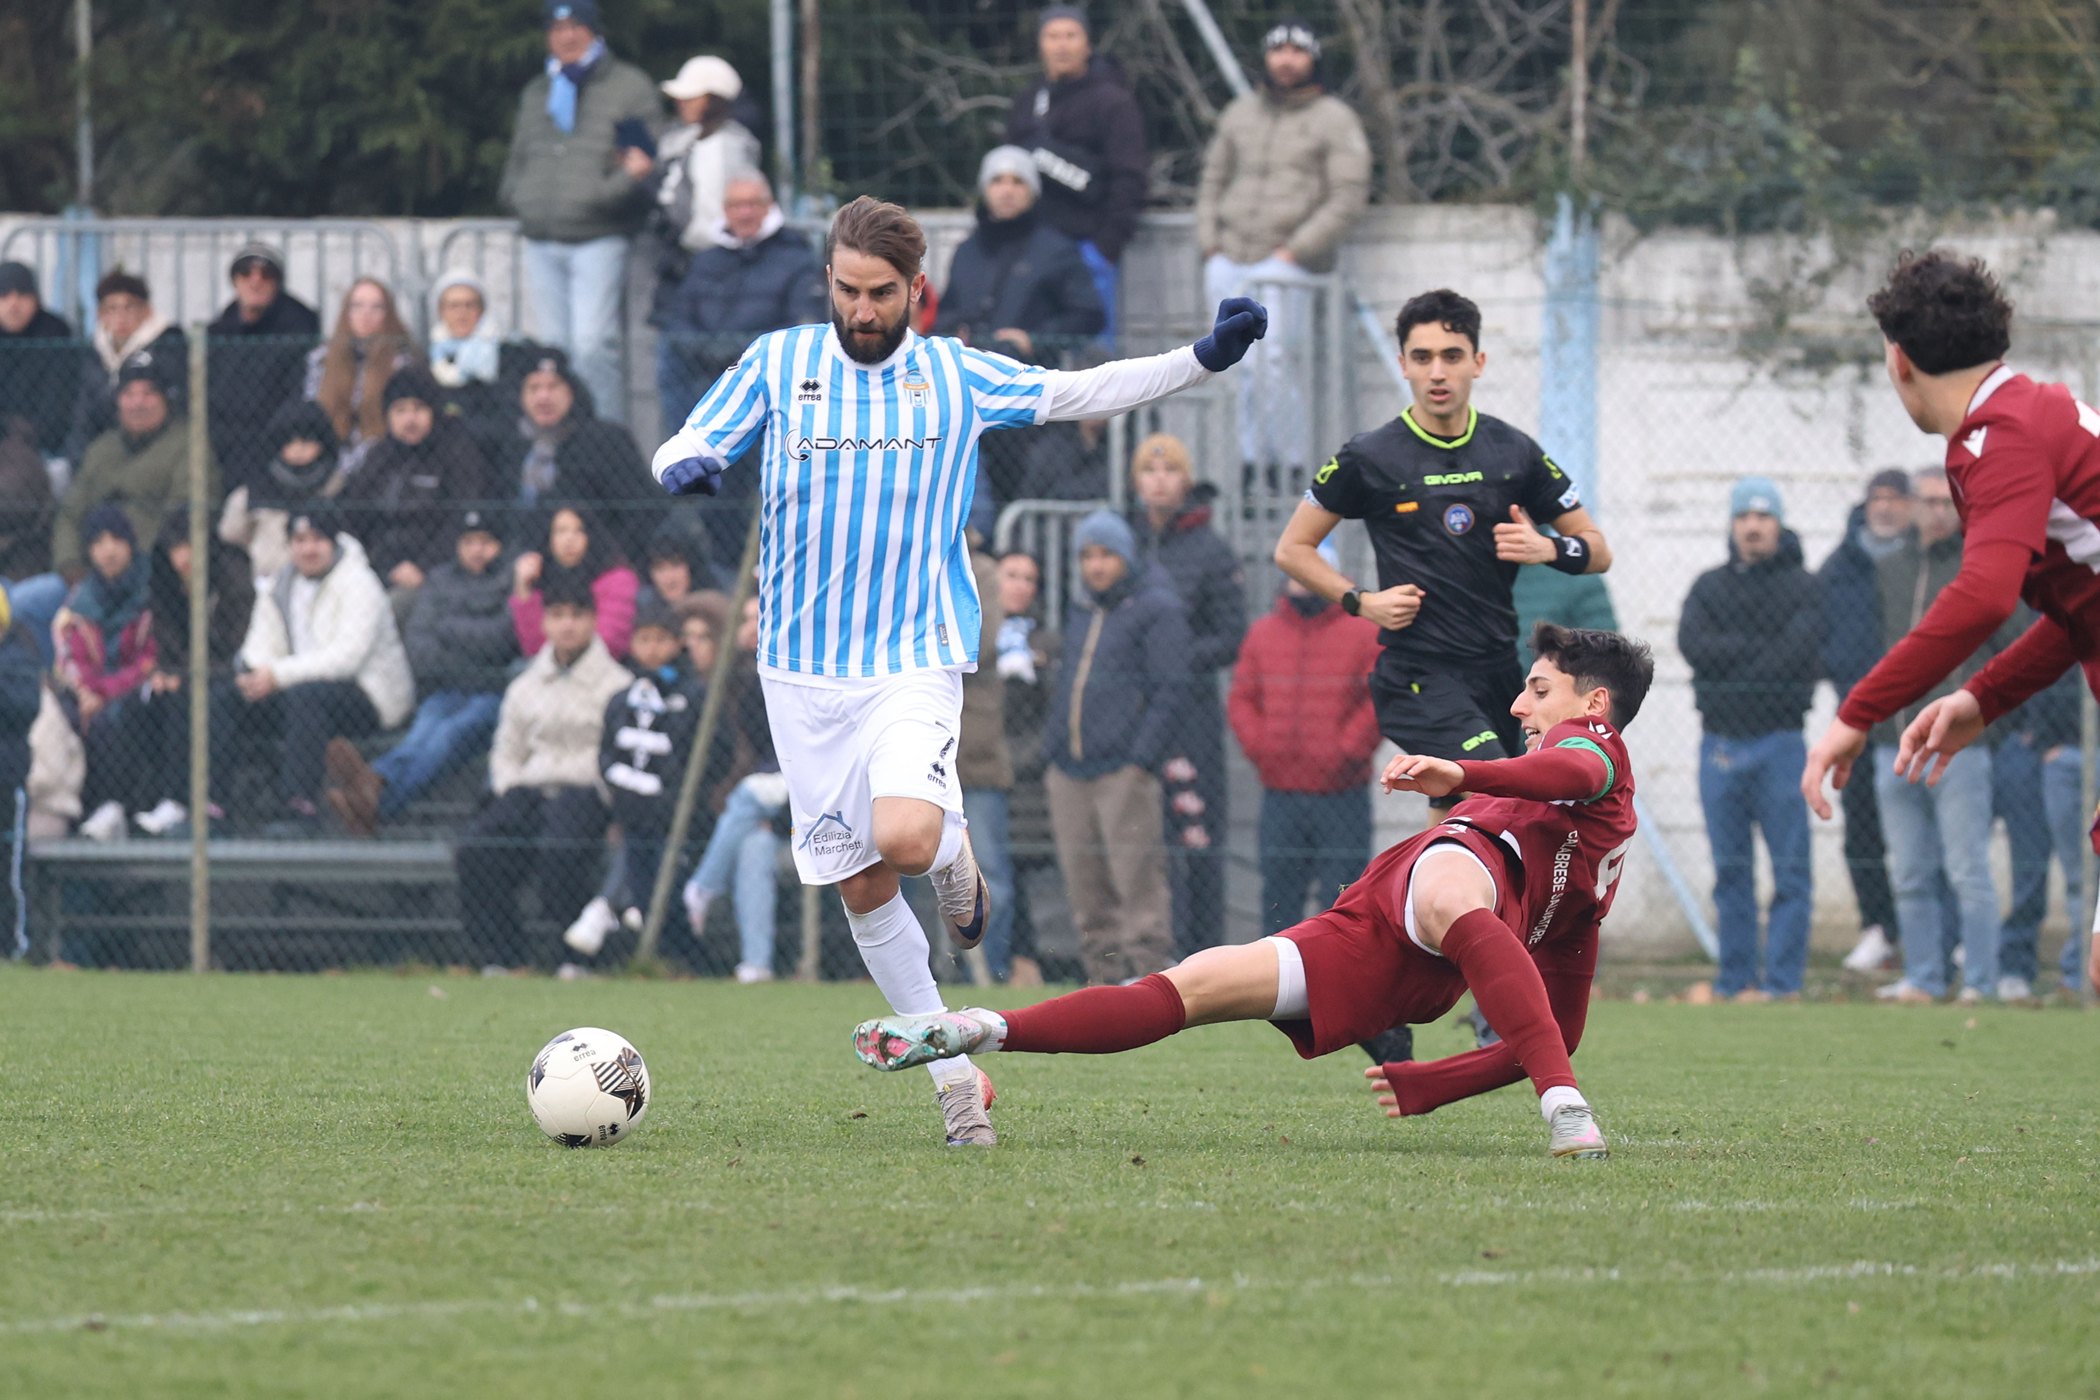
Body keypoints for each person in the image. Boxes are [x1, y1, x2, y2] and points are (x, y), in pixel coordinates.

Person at [652, 194, 1268, 1145]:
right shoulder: (780, 362)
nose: (862, 310)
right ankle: (954, 1084)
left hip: (913, 653)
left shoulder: (954, 374)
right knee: (861, 887)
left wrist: (1202, 358)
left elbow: (1083, 389)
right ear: (828, 281)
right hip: (801, 670)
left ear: (917, 290)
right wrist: (685, 466)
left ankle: (948, 855)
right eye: (848, 291)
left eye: (881, 293)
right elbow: (691, 436)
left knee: (903, 836)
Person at [855, 624, 1652, 1163]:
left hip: (1424, 938)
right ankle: (982, 1029)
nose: (1518, 705)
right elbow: (1552, 1028)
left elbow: (1555, 1028)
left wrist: (1438, 1082)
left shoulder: (1597, 752)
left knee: (1451, 899)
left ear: (1594, 707)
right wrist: (1443, 1084)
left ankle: (1564, 1108)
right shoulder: (1572, 818)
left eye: (1538, 690)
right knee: (1188, 987)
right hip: (1405, 904)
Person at [1274, 288, 1610, 1061]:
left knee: (1466, 834)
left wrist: (1548, 549)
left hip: (1497, 677)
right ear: (1402, 364)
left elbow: (1596, 546)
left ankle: (1361, 987)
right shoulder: (1371, 457)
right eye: (1422, 357)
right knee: (1491, 803)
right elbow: (1292, 548)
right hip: (1419, 674)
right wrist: (1361, 601)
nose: (1437, 371)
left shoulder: (1513, 453)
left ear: (1478, 363)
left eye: (1452, 356)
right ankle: (1491, 998)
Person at [1806, 255, 2100, 991]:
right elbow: (2079, 614)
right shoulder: (2031, 411)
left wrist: (1859, 710)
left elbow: (1983, 596)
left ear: (1899, 360)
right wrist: (1982, 697)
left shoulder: (2000, 437)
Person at [1195, 16, 1370, 478]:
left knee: (1274, 361)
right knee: (1231, 361)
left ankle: (1288, 462)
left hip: (1287, 264)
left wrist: (1296, 250)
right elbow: (1212, 179)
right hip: (1229, 256)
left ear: (1313, 58)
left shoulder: (1334, 118)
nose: (1286, 60)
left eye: (1297, 51)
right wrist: (1210, 244)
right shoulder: (1241, 113)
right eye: (1278, 50)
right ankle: (1250, 462)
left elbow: (1348, 196)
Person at [1868, 469, 2016, 1003]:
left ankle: (1980, 981)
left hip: (1959, 748)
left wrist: (1988, 722)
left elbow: (2014, 648)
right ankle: (1923, 978)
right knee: (1909, 872)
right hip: (1893, 741)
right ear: (1912, 506)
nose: (1935, 511)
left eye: (1944, 502)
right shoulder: (1889, 570)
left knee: (1967, 870)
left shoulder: (1980, 569)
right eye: (1926, 501)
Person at [1677, 477, 1823, 1002]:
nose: (1753, 527)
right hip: (1719, 744)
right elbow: (1693, 645)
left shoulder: (1805, 587)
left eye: (1763, 517)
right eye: (1744, 517)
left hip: (1781, 743)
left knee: (1791, 869)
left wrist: (1731, 658)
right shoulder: (1708, 586)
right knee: (1730, 870)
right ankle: (1735, 980)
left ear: (1778, 524)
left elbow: (1798, 655)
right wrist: (1762, 650)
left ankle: (1782, 984)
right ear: (1733, 524)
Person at [454, 570, 633, 970]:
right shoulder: (524, 685)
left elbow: (619, 754)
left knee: (561, 852)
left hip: (587, 792)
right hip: (528, 789)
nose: (567, 625)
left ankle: (575, 958)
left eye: (577, 615)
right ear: (544, 621)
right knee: (477, 851)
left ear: (593, 620)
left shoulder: (618, 685)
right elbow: (506, 750)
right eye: (557, 615)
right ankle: (503, 957)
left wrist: (603, 795)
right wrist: (509, 788)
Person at [1043, 511, 1189, 986]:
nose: (1096, 565)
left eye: (1106, 554)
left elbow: (1172, 690)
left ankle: (1153, 986)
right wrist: (1055, 748)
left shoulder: (1156, 609)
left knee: (1137, 884)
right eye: (1087, 555)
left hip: (1123, 773)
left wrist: (1140, 759)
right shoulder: (1083, 609)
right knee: (1086, 890)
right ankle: (1101, 987)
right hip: (1070, 773)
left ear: (1125, 557)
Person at [499, 0, 660, 424]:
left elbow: (644, 162)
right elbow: (519, 156)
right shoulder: (539, 90)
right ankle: (564, 446)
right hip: (541, 236)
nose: (566, 36)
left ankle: (603, 440)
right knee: (554, 352)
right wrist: (518, 196)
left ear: (594, 31)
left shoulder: (628, 86)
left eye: (576, 26)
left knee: (592, 348)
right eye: (557, 28)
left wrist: (604, 194)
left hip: (599, 236)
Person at [656, 167, 825, 564]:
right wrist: (718, 353)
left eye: (753, 204)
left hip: (772, 397)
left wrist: (731, 352)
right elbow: (679, 324)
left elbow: (801, 328)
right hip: (710, 387)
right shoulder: (705, 262)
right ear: (725, 211)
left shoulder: (797, 259)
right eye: (736, 205)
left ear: (769, 207)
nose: (745, 212)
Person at [325, 508, 519, 836]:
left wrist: (448, 628)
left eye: (486, 542)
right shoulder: (440, 579)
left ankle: (374, 793)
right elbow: (419, 645)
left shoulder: (512, 580)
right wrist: (473, 646)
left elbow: (503, 638)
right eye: (469, 542)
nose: (477, 550)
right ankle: (372, 793)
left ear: (500, 546)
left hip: (492, 693)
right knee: (420, 738)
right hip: (446, 688)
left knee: (448, 736)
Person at [1125, 432, 1244, 957]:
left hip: (1191, 715)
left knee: (1197, 835)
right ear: (1135, 481)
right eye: (1149, 471)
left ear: (1186, 480)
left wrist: (1172, 659)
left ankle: (1204, 955)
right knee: (1139, 836)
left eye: (1170, 470)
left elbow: (1231, 636)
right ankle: (1144, 953)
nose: (1159, 481)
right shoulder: (1124, 543)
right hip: (1132, 710)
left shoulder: (1210, 549)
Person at [232, 505, 415, 831]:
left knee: (307, 698)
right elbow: (259, 644)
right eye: (300, 540)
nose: (308, 549)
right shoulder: (278, 585)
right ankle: (210, 809)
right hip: (298, 688)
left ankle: (299, 807)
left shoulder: (360, 583)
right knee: (225, 697)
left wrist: (278, 676)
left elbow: (346, 659)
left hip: (369, 696)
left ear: (334, 542)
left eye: (318, 539)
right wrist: (259, 675)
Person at [1229, 548, 1383, 935]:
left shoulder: (1363, 632)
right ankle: (1275, 975)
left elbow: (1379, 698)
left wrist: (1346, 751)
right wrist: (1263, 750)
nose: (1305, 580)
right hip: (1281, 794)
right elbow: (1242, 698)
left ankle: (1338, 974)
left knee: (1343, 902)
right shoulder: (1263, 632)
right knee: (1279, 901)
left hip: (1342, 794)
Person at [565, 596, 730, 957]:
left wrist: (679, 793)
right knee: (640, 884)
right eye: (644, 639)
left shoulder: (696, 696)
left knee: (669, 889)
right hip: (633, 815)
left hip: (681, 817)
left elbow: (719, 752)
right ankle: (651, 952)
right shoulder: (622, 699)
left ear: (676, 643)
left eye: (660, 640)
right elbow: (609, 752)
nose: (652, 649)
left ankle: (687, 957)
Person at [1002, 5, 1146, 337]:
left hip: (1088, 249)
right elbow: (1009, 166)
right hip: (1030, 250)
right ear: (1040, 45)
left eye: (1071, 35)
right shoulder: (1028, 102)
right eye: (1053, 36)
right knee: (1030, 350)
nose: (1062, 45)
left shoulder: (1113, 102)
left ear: (1088, 44)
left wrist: (1105, 248)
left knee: (1092, 357)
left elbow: (1130, 178)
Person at [1818, 468, 1913, 973]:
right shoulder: (1840, 567)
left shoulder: (1925, 559)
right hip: (1857, 720)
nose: (1886, 507)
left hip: (1916, 716)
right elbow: (1821, 635)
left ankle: (1937, 937)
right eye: (1879, 498)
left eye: (1896, 498)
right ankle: (1878, 928)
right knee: (1862, 830)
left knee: (1924, 830)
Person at [120, 510, 253, 836]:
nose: (182, 557)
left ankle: (185, 800)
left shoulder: (233, 574)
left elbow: (234, 640)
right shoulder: (164, 581)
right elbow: (167, 640)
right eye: (175, 548)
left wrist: (187, 673)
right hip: (185, 672)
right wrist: (166, 672)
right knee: (138, 704)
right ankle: (134, 804)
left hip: (231, 672)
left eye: (189, 546)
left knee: (189, 696)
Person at [681, 593, 789, 983]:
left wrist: (779, 821)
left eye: (759, 618)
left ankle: (703, 886)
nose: (751, 628)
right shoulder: (743, 682)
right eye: (745, 620)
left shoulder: (800, 675)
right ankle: (756, 964)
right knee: (753, 846)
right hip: (776, 815)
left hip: (816, 810)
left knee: (746, 794)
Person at [56, 348, 219, 585]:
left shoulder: (188, 445)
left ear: (166, 399)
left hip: (154, 573)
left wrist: (138, 556)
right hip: (90, 571)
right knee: (27, 600)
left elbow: (186, 511)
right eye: (128, 394)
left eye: (149, 393)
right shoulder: (101, 449)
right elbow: (70, 514)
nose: (138, 403)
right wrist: (70, 566)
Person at [338, 366, 495, 603]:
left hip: (436, 573)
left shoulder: (457, 454)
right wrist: (384, 565)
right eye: (400, 410)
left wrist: (422, 566)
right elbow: (355, 517)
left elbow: (461, 520)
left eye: (419, 408)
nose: (410, 420)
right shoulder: (377, 457)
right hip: (379, 568)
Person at [52, 506, 156, 841]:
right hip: (92, 693)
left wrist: (104, 692)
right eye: (97, 543)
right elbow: (72, 656)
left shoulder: (152, 591)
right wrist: (85, 691)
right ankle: (76, 811)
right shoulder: (80, 599)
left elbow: (149, 660)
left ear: (130, 544)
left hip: (131, 690)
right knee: (65, 715)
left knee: (117, 716)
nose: (108, 551)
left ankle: (114, 806)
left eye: (115, 540)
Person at [1991, 667, 2089, 1000]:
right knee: (2044, 871)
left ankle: (2080, 973)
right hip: (2049, 755)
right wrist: (2046, 741)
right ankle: (2029, 969)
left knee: (2084, 874)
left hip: (2061, 753)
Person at [508, 349, 659, 564]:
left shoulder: (606, 440)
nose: (543, 397)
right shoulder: (511, 445)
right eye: (534, 388)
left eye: (553, 386)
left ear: (571, 393)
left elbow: (640, 512)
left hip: (603, 563)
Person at [993, 547, 1065, 985]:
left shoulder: (1047, 642)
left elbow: (1053, 715)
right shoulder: (971, 635)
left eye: (1028, 578)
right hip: (979, 770)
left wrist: (1020, 759)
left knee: (1018, 870)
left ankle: (1026, 959)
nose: (1019, 586)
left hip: (1028, 779)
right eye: (1011, 575)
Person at [205, 243, 322, 492]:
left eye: (266, 274)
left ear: (277, 282)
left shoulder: (299, 329)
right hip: (223, 444)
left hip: (276, 446)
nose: (255, 281)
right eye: (246, 273)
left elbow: (298, 394)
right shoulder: (218, 332)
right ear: (235, 281)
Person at [648, 55, 762, 307]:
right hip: (686, 261)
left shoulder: (724, 146)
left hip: (708, 263)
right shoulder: (688, 139)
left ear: (714, 100)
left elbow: (710, 221)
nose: (681, 102)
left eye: (691, 97)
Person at [958, 539, 1019, 981]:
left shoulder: (982, 570)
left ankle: (990, 972)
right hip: (916, 754)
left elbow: (976, 644)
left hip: (975, 755)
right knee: (908, 872)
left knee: (988, 872)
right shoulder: (908, 553)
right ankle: (921, 975)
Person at [303, 277, 419, 482]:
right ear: (346, 313)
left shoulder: (402, 363)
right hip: (328, 462)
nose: (366, 314)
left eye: (377, 307)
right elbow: (311, 411)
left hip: (384, 465)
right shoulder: (322, 360)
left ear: (388, 314)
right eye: (357, 306)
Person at [67, 270, 187, 466]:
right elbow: (83, 418)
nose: (120, 317)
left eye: (129, 307)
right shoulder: (93, 355)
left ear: (146, 311)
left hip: (158, 453)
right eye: (112, 308)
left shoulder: (167, 348)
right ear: (100, 315)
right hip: (103, 453)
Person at [218, 400, 338, 583]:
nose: (298, 449)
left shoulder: (335, 486)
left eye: (307, 440)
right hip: (266, 578)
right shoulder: (255, 490)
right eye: (290, 441)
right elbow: (230, 532)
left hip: (324, 581)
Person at [510, 503, 638, 661]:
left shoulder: (617, 579)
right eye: (561, 531)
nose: (569, 539)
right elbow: (533, 648)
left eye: (579, 531)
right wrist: (523, 591)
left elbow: (609, 642)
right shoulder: (539, 577)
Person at [0, 260, 80, 461]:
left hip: (42, 443)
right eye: (4, 295)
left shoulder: (55, 332)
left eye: (22, 294)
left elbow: (59, 397)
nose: (13, 304)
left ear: (35, 299)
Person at [0, 588, 40, 959]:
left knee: (8, 865)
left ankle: (14, 943)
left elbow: (26, 706)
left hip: (6, 778)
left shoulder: (18, 656)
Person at [427, 272, 505, 392]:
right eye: (454, 306)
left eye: (469, 305)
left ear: (482, 311)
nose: (462, 312)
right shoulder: (428, 359)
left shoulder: (501, 354)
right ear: (441, 312)